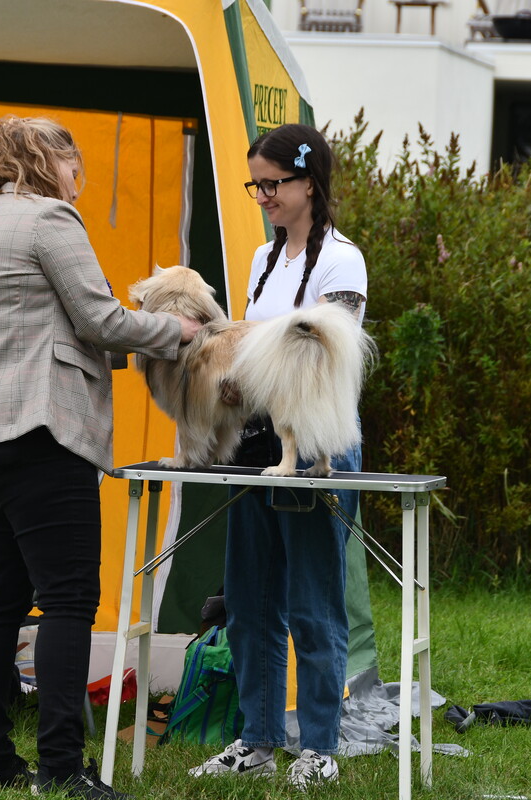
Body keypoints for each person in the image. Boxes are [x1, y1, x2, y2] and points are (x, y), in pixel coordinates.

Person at [0, 116, 201, 799]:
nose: (79, 179)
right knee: (69, 599)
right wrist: (178, 330)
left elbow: (42, 330)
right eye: (76, 165)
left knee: (0, 599)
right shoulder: (51, 219)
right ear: (50, 159)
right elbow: (100, 320)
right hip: (37, 430)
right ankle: (62, 769)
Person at [188, 123, 368, 789]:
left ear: (309, 183)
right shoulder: (265, 259)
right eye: (255, 185)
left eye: (273, 184)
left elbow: (328, 358)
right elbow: (253, 354)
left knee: (314, 603)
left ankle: (319, 746)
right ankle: (257, 739)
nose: (263, 196)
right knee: (250, 600)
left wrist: (255, 356)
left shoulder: (342, 260)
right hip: (257, 445)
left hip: (317, 445)